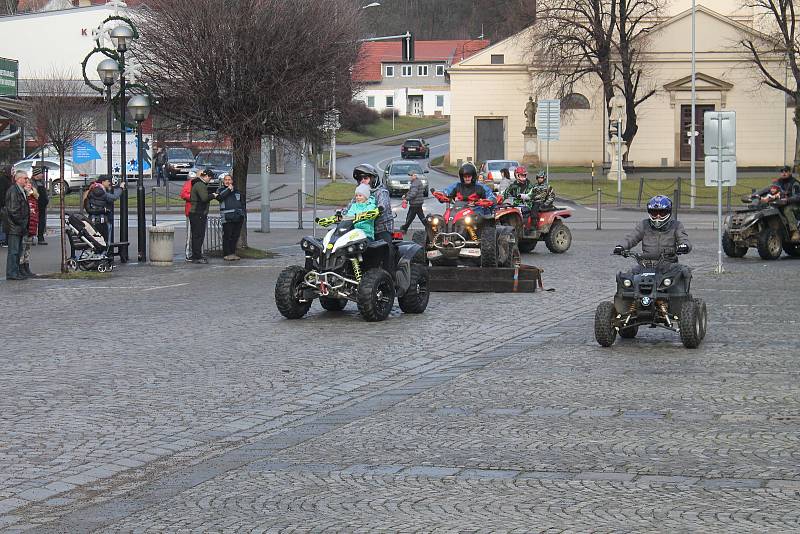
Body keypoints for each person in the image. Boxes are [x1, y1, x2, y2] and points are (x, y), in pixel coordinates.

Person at [614, 195, 691, 262]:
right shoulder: (644, 224)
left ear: (668, 212)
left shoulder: (676, 225)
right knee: (627, 277)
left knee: (684, 272)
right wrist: (621, 246)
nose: (658, 216)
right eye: (654, 213)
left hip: (669, 263)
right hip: (645, 263)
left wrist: (684, 246)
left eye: (662, 213)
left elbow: (684, 239)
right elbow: (631, 238)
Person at [350, 164, 394, 268]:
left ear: (373, 179)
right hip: (362, 229)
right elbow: (350, 207)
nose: (362, 181)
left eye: (365, 178)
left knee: (386, 250)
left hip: (380, 228)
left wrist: (379, 209)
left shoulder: (381, 191)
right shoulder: (359, 193)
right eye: (360, 179)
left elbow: (384, 205)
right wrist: (340, 214)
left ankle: (389, 277)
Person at [754, 166, 800, 241]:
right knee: (765, 208)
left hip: (794, 205)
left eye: (786, 171)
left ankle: (795, 231)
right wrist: (754, 196)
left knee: (787, 210)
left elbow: (798, 196)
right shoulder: (778, 182)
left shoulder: (794, 183)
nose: (784, 173)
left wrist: (787, 200)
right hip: (779, 204)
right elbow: (766, 190)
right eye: (782, 172)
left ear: (790, 172)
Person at [3, 171, 31, 280]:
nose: (26, 180)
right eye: (25, 178)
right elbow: (13, 210)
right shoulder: (13, 191)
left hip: (19, 226)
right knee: (14, 251)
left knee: (18, 251)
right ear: (18, 179)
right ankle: (12, 273)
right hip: (14, 226)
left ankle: (16, 272)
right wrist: (21, 222)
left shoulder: (21, 190)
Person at [188, 168, 219, 264]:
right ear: (205, 176)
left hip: (196, 213)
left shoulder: (197, 183)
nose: (210, 180)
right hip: (198, 213)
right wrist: (213, 195)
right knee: (199, 235)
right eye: (210, 178)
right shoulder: (200, 185)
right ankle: (197, 256)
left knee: (196, 235)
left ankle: (195, 255)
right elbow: (204, 198)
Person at [86, 176, 125, 243]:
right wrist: (121, 188)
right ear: (103, 182)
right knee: (104, 241)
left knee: (96, 241)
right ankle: (104, 252)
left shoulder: (95, 188)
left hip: (93, 219)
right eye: (108, 181)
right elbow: (114, 197)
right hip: (102, 220)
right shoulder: (100, 191)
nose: (109, 183)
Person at [216, 173, 245, 261]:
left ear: (232, 181)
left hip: (238, 216)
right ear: (223, 181)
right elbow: (220, 198)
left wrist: (242, 214)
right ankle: (227, 254)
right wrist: (228, 189)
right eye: (226, 180)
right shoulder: (220, 190)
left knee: (235, 236)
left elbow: (241, 203)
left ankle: (232, 253)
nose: (227, 181)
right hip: (227, 217)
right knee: (227, 236)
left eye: (229, 180)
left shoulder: (237, 191)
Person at [19, 180, 39, 278]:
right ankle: (21, 267)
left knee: (28, 249)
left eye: (30, 184)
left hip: (32, 226)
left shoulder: (33, 198)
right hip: (26, 227)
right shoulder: (24, 197)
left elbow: (36, 213)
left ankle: (26, 267)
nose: (29, 186)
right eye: (26, 184)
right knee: (23, 249)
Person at [31, 166, 49, 245]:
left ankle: (40, 237)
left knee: (42, 221)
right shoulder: (32, 182)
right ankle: (30, 238)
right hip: (35, 205)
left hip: (42, 205)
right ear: (37, 174)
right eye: (41, 173)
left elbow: (44, 193)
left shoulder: (41, 182)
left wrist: (46, 200)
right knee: (32, 222)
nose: (42, 174)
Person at [0, 169, 9, 247]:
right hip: (4, 204)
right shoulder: (3, 180)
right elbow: (2, 192)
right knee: (3, 222)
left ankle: (4, 239)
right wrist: (3, 204)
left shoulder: (9, 179)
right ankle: (3, 239)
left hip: (6, 204)